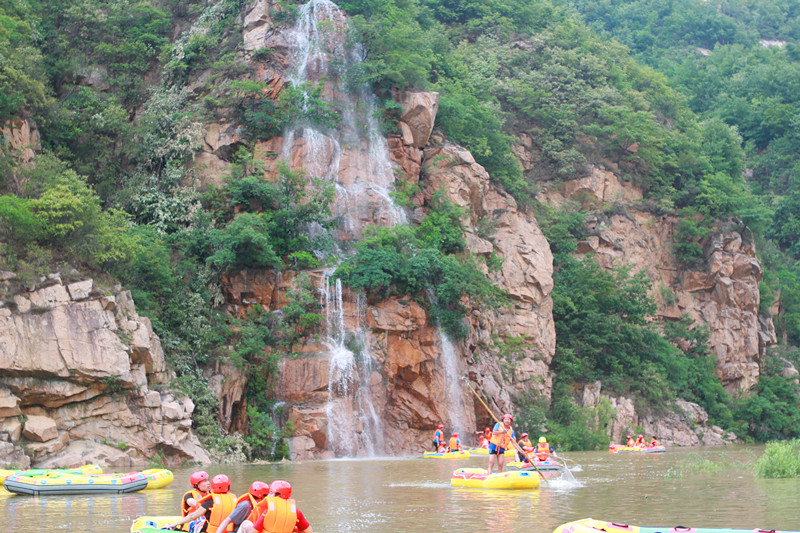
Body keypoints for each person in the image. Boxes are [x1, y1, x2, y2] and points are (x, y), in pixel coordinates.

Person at [166, 474, 237, 533]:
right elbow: (191, 502)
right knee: (199, 522)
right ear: (197, 485)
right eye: (205, 481)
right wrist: (199, 505)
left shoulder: (210, 499)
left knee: (201, 523)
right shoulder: (189, 495)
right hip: (191, 522)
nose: (208, 483)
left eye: (208, 481)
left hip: (209, 528)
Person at [242, 480, 313, 533]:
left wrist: (246, 527)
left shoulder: (268, 511)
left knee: (245, 524)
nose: (268, 495)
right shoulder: (296, 511)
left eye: (270, 492)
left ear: (278, 495)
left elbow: (252, 532)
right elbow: (309, 531)